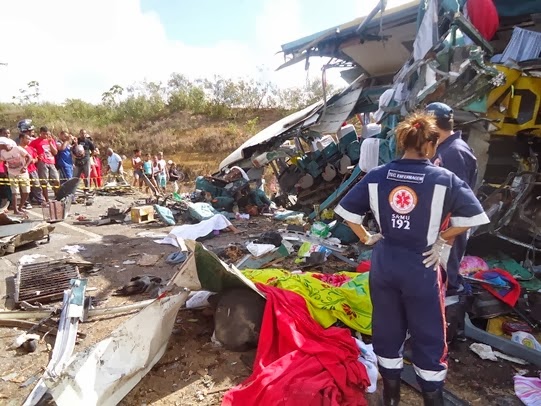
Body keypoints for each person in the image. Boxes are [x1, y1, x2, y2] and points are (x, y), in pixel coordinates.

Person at [335, 112, 489, 405]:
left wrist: (368, 237)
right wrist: (444, 238)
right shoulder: (444, 178)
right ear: (430, 144)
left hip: (384, 265)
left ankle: (391, 399)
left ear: (402, 142)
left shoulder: (378, 175)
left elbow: (346, 213)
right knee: (429, 335)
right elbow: (472, 217)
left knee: (387, 329)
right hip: (422, 266)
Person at [426, 102, 479, 343]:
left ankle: (446, 335)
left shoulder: (454, 152)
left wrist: (447, 234)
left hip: (450, 228)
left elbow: (459, 198)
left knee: (447, 278)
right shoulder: (444, 149)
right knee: (439, 276)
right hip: (441, 227)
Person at [0, 140, 32, 215]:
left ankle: (20, 207)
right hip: (12, 173)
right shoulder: (2, 152)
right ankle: (15, 210)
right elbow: (2, 161)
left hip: (22, 172)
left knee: (26, 191)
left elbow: (29, 157)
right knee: (15, 192)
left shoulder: (18, 149)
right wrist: (5, 169)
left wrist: (25, 167)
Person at [29, 126, 59, 203]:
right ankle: (46, 199)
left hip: (51, 162)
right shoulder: (35, 141)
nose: (45, 135)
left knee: (56, 180)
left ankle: (57, 196)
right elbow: (29, 150)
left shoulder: (51, 141)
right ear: (40, 133)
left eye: (47, 134)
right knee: (44, 181)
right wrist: (36, 156)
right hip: (42, 162)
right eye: (43, 134)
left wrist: (50, 143)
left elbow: (55, 152)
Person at [19, 131, 44, 208]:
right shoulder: (17, 149)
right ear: (21, 139)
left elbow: (36, 158)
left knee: (37, 185)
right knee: (24, 187)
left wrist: (34, 160)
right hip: (22, 171)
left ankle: (40, 201)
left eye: (29, 139)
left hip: (32, 170)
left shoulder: (31, 148)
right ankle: (26, 202)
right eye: (27, 138)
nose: (29, 140)